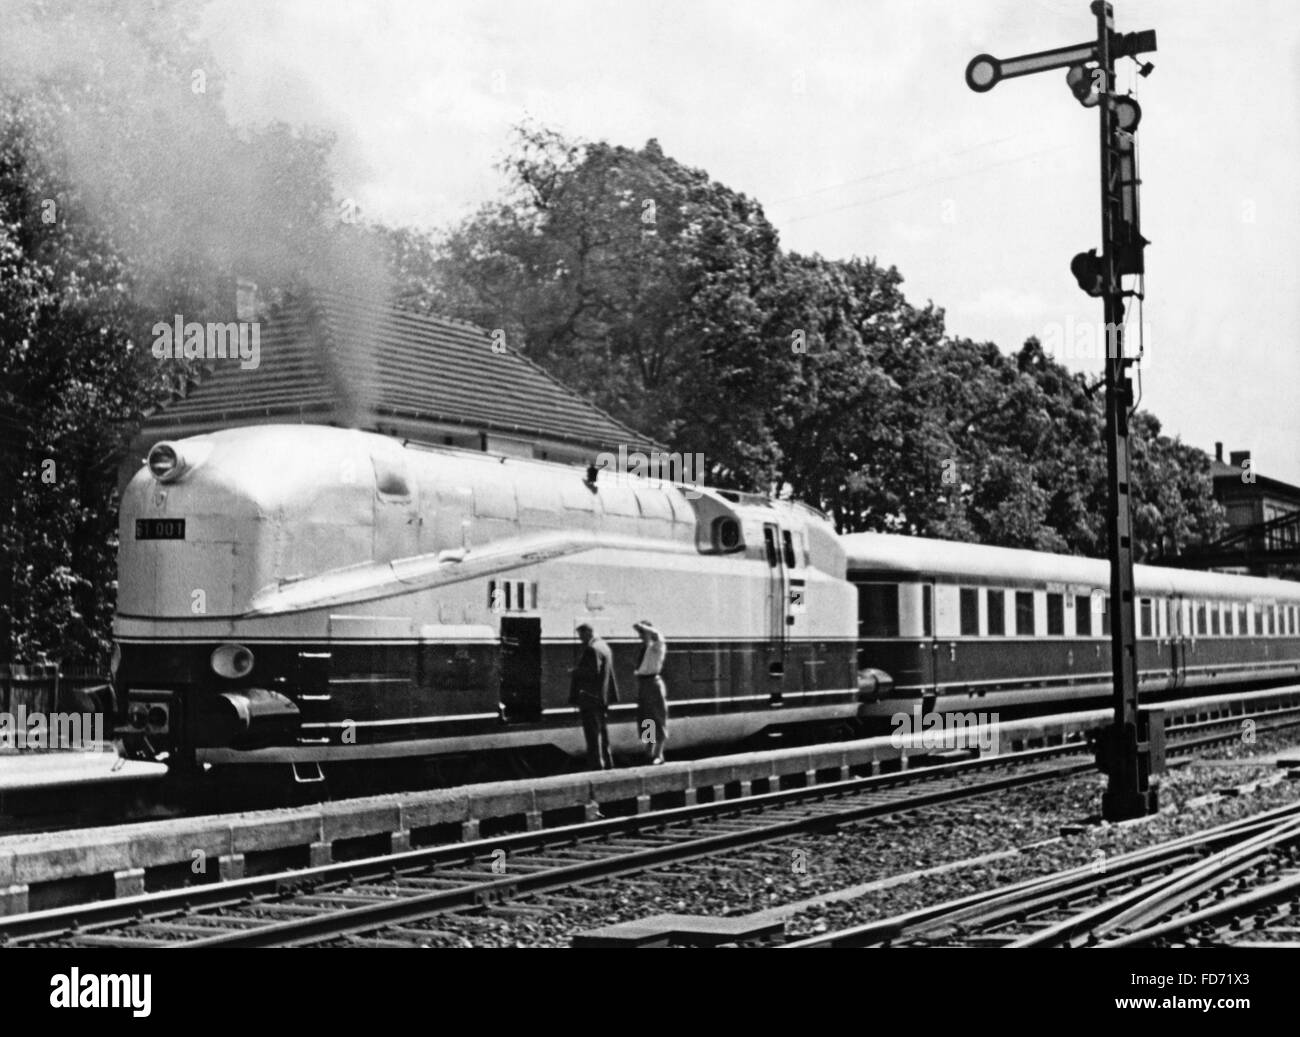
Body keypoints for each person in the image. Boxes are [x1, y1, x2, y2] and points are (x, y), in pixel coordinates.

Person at [569, 622, 618, 770]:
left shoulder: (592, 649)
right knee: (602, 731)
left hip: (590, 699)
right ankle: (607, 762)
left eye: (581, 635)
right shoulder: (604, 646)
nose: (580, 639)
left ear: (588, 633)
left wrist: (575, 671)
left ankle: (597, 765)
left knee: (592, 734)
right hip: (601, 698)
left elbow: (592, 672)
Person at [633, 620, 669, 764]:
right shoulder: (647, 648)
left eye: (642, 633)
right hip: (644, 683)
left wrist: (643, 627)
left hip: (653, 683)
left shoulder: (658, 646)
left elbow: (656, 634)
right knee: (646, 717)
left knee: (657, 717)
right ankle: (649, 751)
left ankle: (659, 754)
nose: (641, 636)